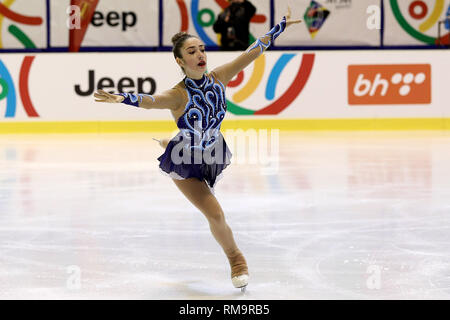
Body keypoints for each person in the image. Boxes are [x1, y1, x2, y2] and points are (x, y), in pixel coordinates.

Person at [93, 8, 302, 291]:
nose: (200, 55)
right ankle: (236, 258)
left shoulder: (219, 77)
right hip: (185, 162)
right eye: (191, 51)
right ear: (180, 60)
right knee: (215, 214)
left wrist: (280, 27)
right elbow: (151, 100)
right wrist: (121, 98)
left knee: (210, 196)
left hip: (214, 151)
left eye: (202, 49)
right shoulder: (177, 95)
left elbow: (251, 53)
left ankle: (169, 139)